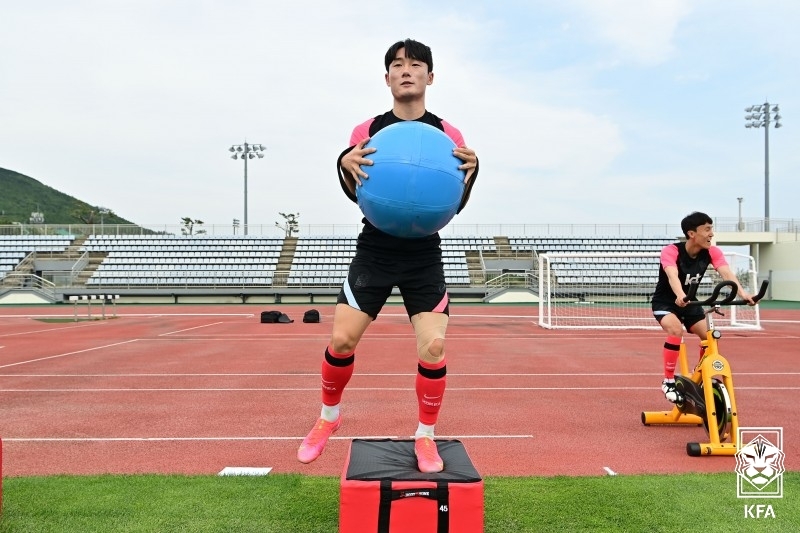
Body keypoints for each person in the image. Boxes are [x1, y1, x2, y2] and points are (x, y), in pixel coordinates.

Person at [296, 38, 479, 473]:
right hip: (376, 248)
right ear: (387, 78)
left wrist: (474, 171)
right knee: (341, 340)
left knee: (433, 347)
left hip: (423, 253)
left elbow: (454, 202)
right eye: (397, 65)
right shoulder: (367, 131)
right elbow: (355, 192)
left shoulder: (449, 135)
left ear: (430, 77)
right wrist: (342, 161)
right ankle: (328, 419)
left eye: (416, 64)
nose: (406, 70)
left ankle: (426, 436)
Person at [651, 211, 755, 402]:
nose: (711, 234)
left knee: (709, 336)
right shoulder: (671, 251)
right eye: (707, 229)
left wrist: (744, 294)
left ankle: (698, 375)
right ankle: (668, 381)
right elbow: (672, 275)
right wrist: (680, 295)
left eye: (711, 229)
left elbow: (727, 274)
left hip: (690, 302)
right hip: (666, 302)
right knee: (675, 329)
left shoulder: (712, 252)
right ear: (692, 234)